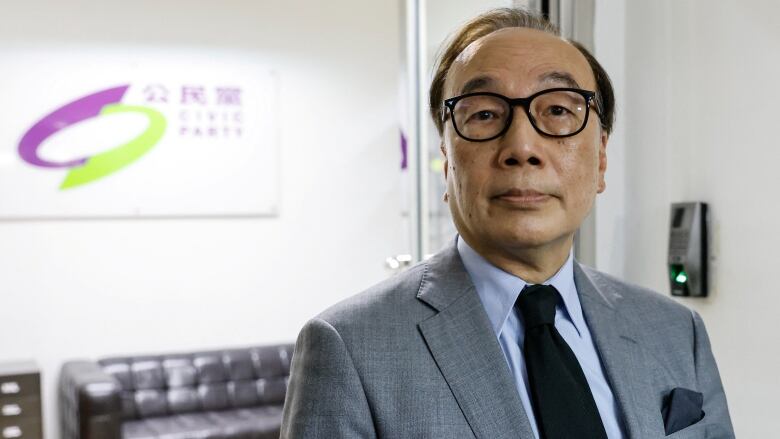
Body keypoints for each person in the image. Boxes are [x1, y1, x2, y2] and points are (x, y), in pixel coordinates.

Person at [280, 7, 734, 439]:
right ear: (446, 156)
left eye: (558, 111)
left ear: (600, 158)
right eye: (484, 114)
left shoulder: (676, 332)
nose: (521, 146)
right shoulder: (351, 349)